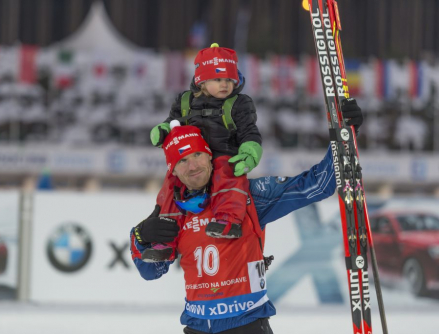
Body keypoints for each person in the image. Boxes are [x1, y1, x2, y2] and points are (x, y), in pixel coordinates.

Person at [130, 99, 364, 334]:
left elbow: (318, 184)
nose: (192, 166)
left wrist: (344, 138)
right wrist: (139, 236)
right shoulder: (173, 211)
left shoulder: (247, 196)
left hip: (247, 325)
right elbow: (151, 271)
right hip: (196, 326)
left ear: (210, 155)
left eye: (197, 155)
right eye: (182, 161)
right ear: (173, 170)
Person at [147, 43, 263, 262]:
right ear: (202, 80)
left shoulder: (239, 104)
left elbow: (249, 131)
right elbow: (171, 123)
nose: (225, 85)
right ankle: (165, 239)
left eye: (229, 80)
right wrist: (162, 130)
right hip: (192, 157)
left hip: (222, 154)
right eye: (218, 80)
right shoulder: (184, 102)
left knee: (228, 172)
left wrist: (250, 150)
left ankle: (228, 220)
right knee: (172, 183)